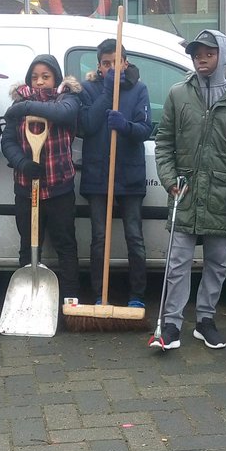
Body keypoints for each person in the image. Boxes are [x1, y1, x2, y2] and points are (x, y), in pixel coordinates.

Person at [153, 30, 226, 350]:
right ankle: (171, 323)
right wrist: (169, 180)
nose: (202, 59)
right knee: (178, 260)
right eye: (197, 54)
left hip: (222, 195)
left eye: (209, 54)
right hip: (185, 191)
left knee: (217, 261)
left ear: (222, 56)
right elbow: (164, 142)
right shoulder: (178, 93)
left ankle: (206, 320)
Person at [0, 54, 82, 302]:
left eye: (46, 77)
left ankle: (70, 299)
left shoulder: (67, 98)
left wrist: (24, 107)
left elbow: (63, 114)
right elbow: (8, 141)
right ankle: (28, 299)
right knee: (28, 244)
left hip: (59, 189)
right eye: (35, 77)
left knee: (66, 245)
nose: (39, 82)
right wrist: (22, 162)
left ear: (55, 78)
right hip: (27, 189)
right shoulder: (17, 102)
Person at [79, 37, 152, 307]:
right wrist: (106, 94)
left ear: (125, 62)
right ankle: (100, 294)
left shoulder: (139, 89)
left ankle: (137, 295)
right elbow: (85, 124)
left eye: (115, 62)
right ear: (99, 67)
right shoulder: (89, 89)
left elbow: (146, 129)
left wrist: (126, 126)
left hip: (129, 176)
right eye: (105, 64)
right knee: (100, 238)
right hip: (98, 176)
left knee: (134, 236)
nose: (111, 67)